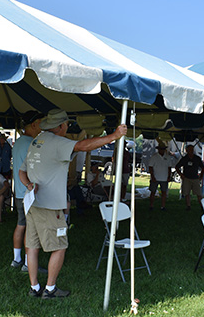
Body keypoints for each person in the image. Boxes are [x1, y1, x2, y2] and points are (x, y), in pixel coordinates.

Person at [19, 108, 127, 299]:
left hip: (33, 204)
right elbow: (84, 146)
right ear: (60, 126)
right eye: (67, 125)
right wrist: (114, 136)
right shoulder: (57, 142)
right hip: (51, 206)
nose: (67, 127)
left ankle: (34, 287)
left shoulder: (37, 142)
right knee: (60, 246)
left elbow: (21, 171)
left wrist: (29, 185)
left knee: (32, 247)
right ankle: (50, 289)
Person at [11, 110, 44, 272]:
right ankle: (27, 263)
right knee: (31, 229)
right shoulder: (31, 143)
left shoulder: (18, 142)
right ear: (34, 124)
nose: (42, 127)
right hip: (28, 192)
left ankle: (17, 259)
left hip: (18, 191)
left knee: (20, 224)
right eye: (40, 123)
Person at [175, 144, 204, 211]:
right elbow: (177, 167)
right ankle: (188, 206)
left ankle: (202, 206)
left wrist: (201, 176)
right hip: (186, 178)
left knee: (199, 194)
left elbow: (202, 167)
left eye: (192, 149)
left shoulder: (197, 158)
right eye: (189, 150)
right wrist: (181, 174)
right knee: (186, 193)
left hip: (195, 178)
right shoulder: (184, 159)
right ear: (186, 150)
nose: (191, 151)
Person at [148, 142, 176, 211]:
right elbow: (150, 167)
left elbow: (169, 168)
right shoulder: (154, 156)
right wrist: (152, 176)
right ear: (158, 149)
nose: (162, 150)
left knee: (164, 192)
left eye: (163, 149)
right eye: (160, 149)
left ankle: (163, 206)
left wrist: (169, 176)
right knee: (153, 192)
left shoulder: (168, 157)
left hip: (164, 177)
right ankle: (151, 205)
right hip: (155, 177)